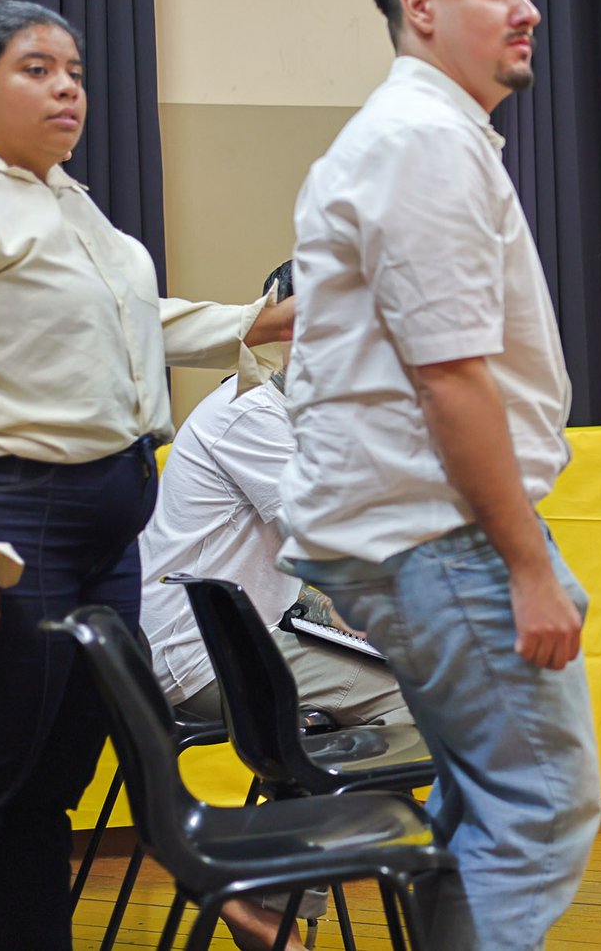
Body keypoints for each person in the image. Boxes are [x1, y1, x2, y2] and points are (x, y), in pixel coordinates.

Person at [0, 0, 291, 951]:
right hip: (1, 525)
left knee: (42, 798)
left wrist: (253, 322)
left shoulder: (58, 199)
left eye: (77, 74)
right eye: (38, 70)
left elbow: (126, 319)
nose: (68, 91)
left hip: (95, 538)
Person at [277, 0, 600, 950]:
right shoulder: (421, 141)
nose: (528, 11)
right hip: (438, 533)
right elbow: (451, 380)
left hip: (421, 530)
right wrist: (527, 565)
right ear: (420, 7)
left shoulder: (426, 135)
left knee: (484, 807)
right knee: (538, 808)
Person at [139, 260, 410, 950]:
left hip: (246, 639)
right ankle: (256, 893)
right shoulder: (252, 415)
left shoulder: (302, 416)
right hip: (202, 656)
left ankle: (267, 899)